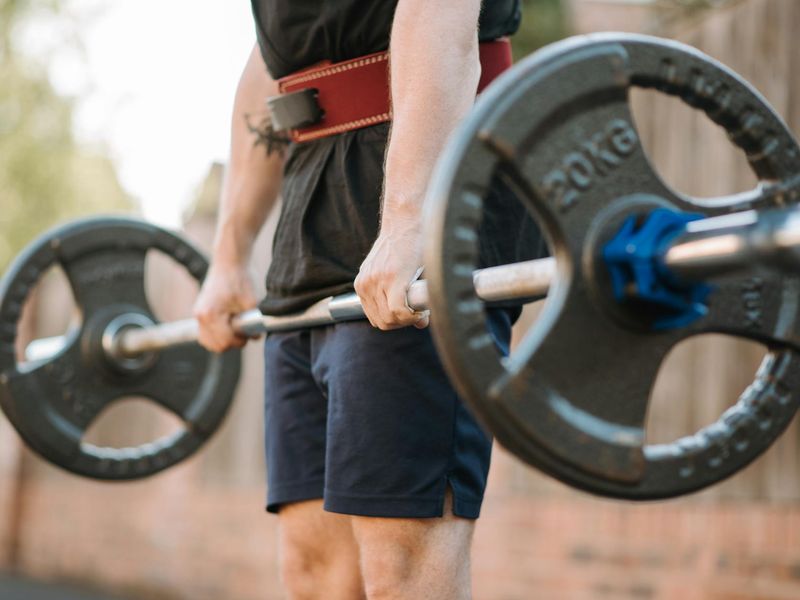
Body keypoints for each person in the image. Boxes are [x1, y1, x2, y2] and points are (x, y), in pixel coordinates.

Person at [194, 1, 543, 597]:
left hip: (425, 177)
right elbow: (273, 57)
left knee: (400, 567)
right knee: (313, 570)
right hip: (307, 214)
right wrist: (228, 256)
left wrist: (409, 221)